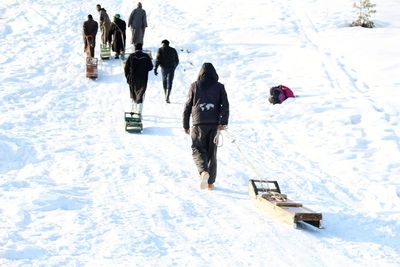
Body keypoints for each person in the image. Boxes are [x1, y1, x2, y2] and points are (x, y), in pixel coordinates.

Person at [183, 63, 229, 190]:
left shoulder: (194, 86)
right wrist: (223, 122)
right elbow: (225, 105)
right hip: (214, 124)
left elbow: (187, 106)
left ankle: (204, 172)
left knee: (197, 149)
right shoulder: (220, 87)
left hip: (198, 123)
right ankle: (210, 183)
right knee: (212, 153)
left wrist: (185, 124)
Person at [124, 43, 153, 117]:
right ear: (141, 48)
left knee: (133, 94)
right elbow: (150, 67)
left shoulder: (131, 56)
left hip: (133, 79)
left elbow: (126, 68)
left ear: (135, 48)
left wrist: (127, 78)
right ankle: (139, 113)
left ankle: (133, 111)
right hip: (143, 78)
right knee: (141, 95)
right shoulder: (146, 56)